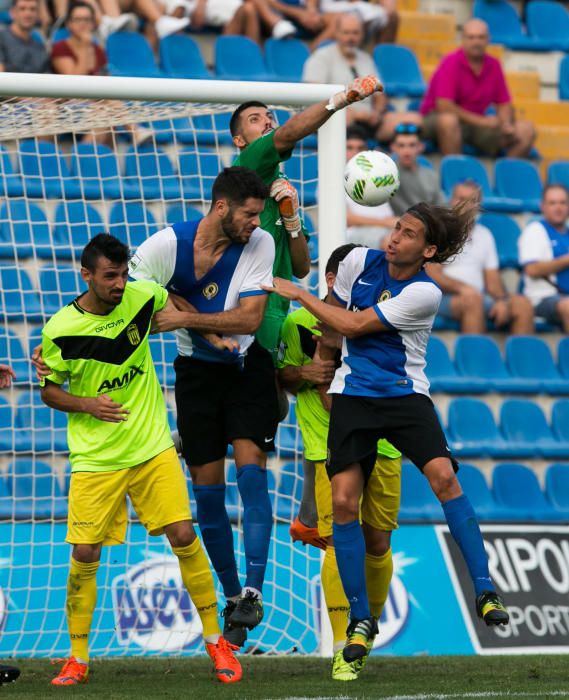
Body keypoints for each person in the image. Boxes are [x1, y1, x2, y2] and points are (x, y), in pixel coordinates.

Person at [264, 199, 509, 664]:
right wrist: (321, 365)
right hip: (354, 397)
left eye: (409, 234)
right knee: (341, 502)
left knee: (444, 478)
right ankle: (360, 620)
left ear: (429, 250)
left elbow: (354, 323)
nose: (395, 236)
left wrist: (300, 295)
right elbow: (334, 331)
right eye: (396, 227)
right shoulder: (357, 260)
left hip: (402, 396)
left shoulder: (425, 293)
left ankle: (484, 589)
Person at [39, 233, 241, 686]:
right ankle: (77, 658)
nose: (119, 283)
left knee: (184, 534)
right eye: (110, 276)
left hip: (152, 446)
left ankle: (216, 643)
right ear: (86, 275)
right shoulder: (58, 330)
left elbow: (177, 302)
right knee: (85, 551)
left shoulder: (141, 295)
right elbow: (50, 390)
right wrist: (87, 404)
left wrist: (211, 332)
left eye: (124, 274)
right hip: (96, 457)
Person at [128, 167, 277, 649]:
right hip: (196, 376)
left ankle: (253, 588)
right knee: (208, 494)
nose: (257, 223)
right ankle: (233, 598)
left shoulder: (261, 245)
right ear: (221, 207)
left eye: (259, 215)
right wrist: (198, 327)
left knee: (251, 470)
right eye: (250, 214)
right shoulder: (164, 247)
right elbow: (131, 294)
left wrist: (186, 317)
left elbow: (250, 319)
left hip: (246, 369)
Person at [278, 243, 401, 681]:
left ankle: (366, 632)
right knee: (335, 540)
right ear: (334, 280)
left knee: (378, 544)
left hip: (383, 444)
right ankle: (339, 643)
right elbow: (283, 375)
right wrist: (303, 374)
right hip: (328, 446)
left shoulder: (379, 317)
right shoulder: (297, 322)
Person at [231, 62, 382, 361]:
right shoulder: (247, 165)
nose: (266, 122)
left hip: (277, 306)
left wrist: (291, 219)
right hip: (246, 302)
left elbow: (301, 267)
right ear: (239, 140)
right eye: (255, 119)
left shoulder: (280, 182)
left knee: (273, 401)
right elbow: (286, 136)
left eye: (269, 117)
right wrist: (341, 100)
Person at [427, 181, 534, 334]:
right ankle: (474, 358)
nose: (464, 205)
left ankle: (522, 358)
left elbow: (492, 282)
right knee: (473, 300)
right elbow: (432, 274)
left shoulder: (485, 234)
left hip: (476, 296)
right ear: (451, 201)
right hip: (441, 298)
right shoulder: (440, 231)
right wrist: (465, 289)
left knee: (522, 304)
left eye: (471, 201)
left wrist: (501, 300)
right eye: (460, 199)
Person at [420, 18, 535, 157]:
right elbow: (444, 106)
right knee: (448, 121)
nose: (476, 42)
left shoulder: (494, 65)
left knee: (526, 130)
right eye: (471, 37)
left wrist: (505, 124)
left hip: (476, 124)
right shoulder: (450, 62)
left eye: (481, 37)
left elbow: (504, 103)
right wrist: (483, 122)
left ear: (488, 39)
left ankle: (503, 175)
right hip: (437, 119)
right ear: (462, 39)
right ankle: (455, 174)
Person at [302, 13, 420, 144]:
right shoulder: (321, 57)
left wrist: (377, 112)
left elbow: (380, 94)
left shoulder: (366, 59)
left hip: (369, 120)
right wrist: (352, 112)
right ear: (336, 33)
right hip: (337, 115)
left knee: (413, 118)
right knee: (343, 117)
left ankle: (395, 157)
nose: (351, 38)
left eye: (355, 33)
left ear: (362, 35)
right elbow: (313, 96)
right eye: (346, 33)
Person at [519, 184, 569, 331]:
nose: (558, 208)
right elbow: (532, 269)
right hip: (543, 298)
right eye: (552, 203)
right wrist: (566, 260)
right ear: (543, 206)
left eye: (563, 203)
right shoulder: (535, 230)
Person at [345, 125, 397, 249]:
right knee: (393, 243)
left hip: (385, 229)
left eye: (360, 148)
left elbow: (387, 213)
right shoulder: (332, 180)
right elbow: (347, 219)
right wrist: (385, 223)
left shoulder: (377, 174)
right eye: (350, 148)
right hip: (353, 233)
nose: (355, 153)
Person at [389, 123, 445, 216]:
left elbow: (441, 208)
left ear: (421, 147)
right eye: (401, 145)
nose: (407, 151)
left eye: (412, 145)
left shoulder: (432, 176)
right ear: (393, 147)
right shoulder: (387, 174)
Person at [51, 2, 107, 77]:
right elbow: (74, 81)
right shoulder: (60, 48)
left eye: (87, 19)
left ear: (93, 24)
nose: (82, 23)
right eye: (77, 19)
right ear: (68, 23)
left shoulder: (98, 50)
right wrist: (85, 46)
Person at [0, 0, 50, 74]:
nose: (28, 13)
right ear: (12, 12)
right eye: (22, 9)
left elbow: (47, 77)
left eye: (32, 9)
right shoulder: (1, 38)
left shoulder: (39, 45)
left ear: (37, 14)